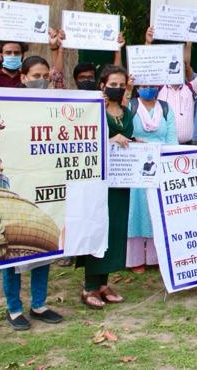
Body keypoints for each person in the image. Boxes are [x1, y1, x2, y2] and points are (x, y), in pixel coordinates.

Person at [3, 55, 64, 331]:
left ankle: (39, 304)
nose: (40, 80)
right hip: (18, 183)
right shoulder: (9, 106)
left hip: (47, 182)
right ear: (23, 77)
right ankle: (13, 308)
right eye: (35, 76)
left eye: (44, 76)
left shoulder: (56, 103)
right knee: (13, 249)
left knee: (44, 244)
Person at [77, 65, 132, 309]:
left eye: (121, 85)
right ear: (102, 85)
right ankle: (89, 286)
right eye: (113, 85)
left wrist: (133, 143)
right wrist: (110, 140)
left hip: (121, 181)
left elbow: (127, 137)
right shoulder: (93, 110)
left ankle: (103, 283)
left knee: (115, 231)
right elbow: (84, 141)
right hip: (97, 182)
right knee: (96, 229)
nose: (117, 89)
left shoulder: (126, 111)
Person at [126, 81, 178, 272]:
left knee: (157, 210)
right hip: (136, 166)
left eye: (152, 84)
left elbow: (172, 138)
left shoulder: (165, 108)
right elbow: (123, 131)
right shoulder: (131, 107)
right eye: (144, 84)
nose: (148, 87)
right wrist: (133, 141)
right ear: (137, 86)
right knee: (137, 211)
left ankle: (157, 257)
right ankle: (135, 259)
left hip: (161, 164)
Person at [149, 27, 197, 144]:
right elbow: (146, 69)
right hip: (163, 146)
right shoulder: (158, 88)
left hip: (187, 147)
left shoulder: (190, 88)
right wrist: (148, 43)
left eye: (180, 65)